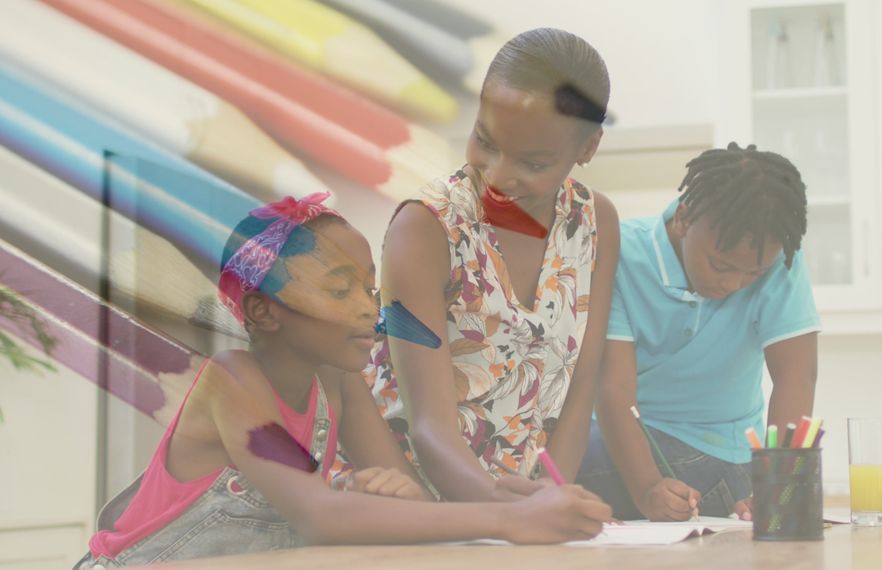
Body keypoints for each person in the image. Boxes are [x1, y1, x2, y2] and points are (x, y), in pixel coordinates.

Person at [77, 193, 611, 568]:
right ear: (263, 312)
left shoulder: (337, 383)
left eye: (369, 289)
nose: (367, 309)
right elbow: (319, 516)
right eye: (339, 292)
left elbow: (416, 508)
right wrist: (509, 521)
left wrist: (428, 498)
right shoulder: (231, 382)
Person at [365, 27, 620, 501]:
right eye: (485, 140)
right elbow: (429, 427)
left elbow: (579, 388)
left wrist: (550, 495)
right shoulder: (424, 228)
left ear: (587, 149)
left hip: (517, 508)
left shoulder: (594, 221)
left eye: (534, 163)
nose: (499, 176)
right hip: (409, 499)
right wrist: (513, 515)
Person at [576, 144, 821, 521]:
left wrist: (778, 485)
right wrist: (647, 488)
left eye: (753, 274)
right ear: (684, 219)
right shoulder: (622, 253)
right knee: (548, 451)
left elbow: (797, 377)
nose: (734, 284)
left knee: (540, 475)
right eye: (720, 266)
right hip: (631, 444)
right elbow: (613, 390)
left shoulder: (778, 258)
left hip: (721, 456)